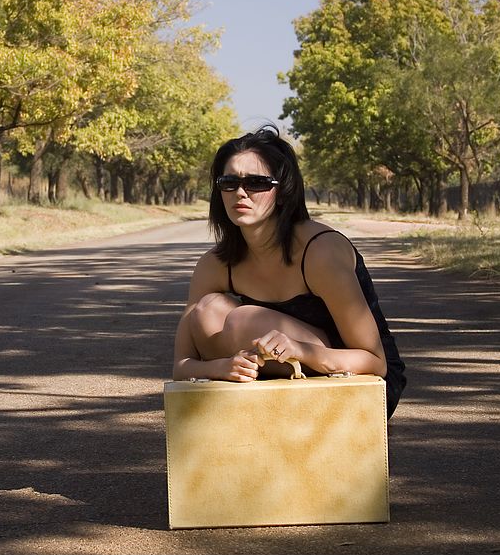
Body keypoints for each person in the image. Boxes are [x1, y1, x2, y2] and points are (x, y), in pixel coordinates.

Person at [172, 124, 406, 418]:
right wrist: (222, 367)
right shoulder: (215, 264)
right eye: (228, 183)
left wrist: (300, 350)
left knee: (244, 320)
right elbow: (182, 366)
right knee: (207, 311)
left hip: (356, 383)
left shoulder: (320, 252)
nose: (240, 193)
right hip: (278, 380)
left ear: (282, 191)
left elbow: (376, 362)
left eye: (256, 182)